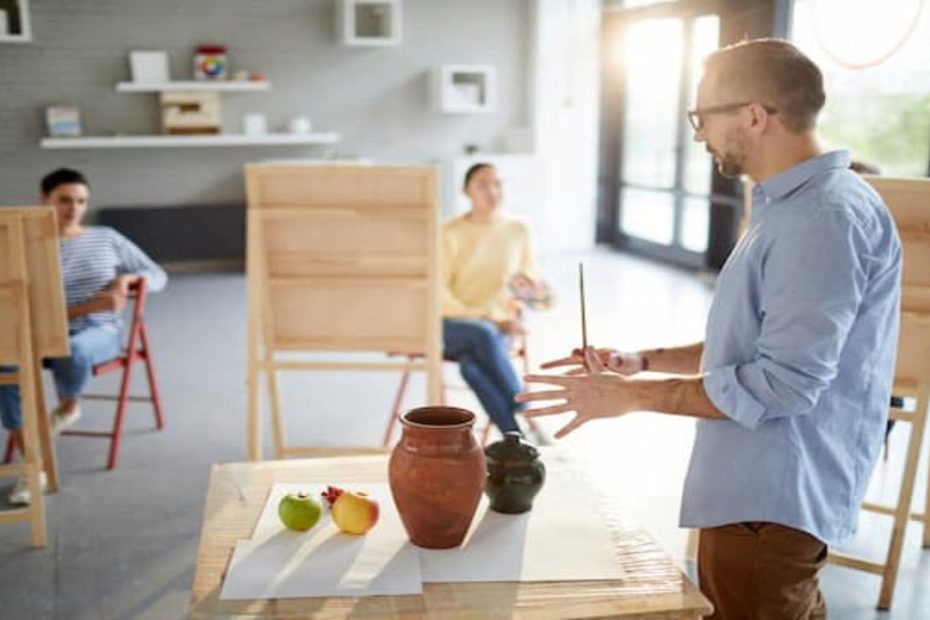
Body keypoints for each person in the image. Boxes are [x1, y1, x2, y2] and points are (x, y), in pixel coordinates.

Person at [517, 39, 901, 618]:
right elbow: (759, 345)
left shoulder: (822, 219)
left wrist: (627, 399)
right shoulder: (794, 207)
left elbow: (783, 384)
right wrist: (641, 361)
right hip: (761, 498)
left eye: (703, 116)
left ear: (754, 114)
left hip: (770, 505)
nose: (698, 134)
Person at [0, 168, 168, 505]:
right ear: (43, 199)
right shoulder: (24, 245)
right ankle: (34, 460)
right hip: (37, 331)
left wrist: (127, 280)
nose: (73, 208)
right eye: (64, 200)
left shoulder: (105, 236)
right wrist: (84, 306)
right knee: (4, 368)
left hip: (97, 331)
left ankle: (66, 409)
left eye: (81, 201)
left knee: (73, 350)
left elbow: (157, 274)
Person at [442, 162, 550, 437]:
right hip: (452, 326)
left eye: (497, 184)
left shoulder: (519, 229)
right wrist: (487, 317)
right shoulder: (448, 232)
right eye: (482, 184)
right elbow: (437, 294)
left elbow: (532, 286)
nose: (492, 191)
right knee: (482, 332)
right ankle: (528, 413)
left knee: (472, 368)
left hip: (499, 328)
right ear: (466, 191)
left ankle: (517, 437)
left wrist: (533, 292)